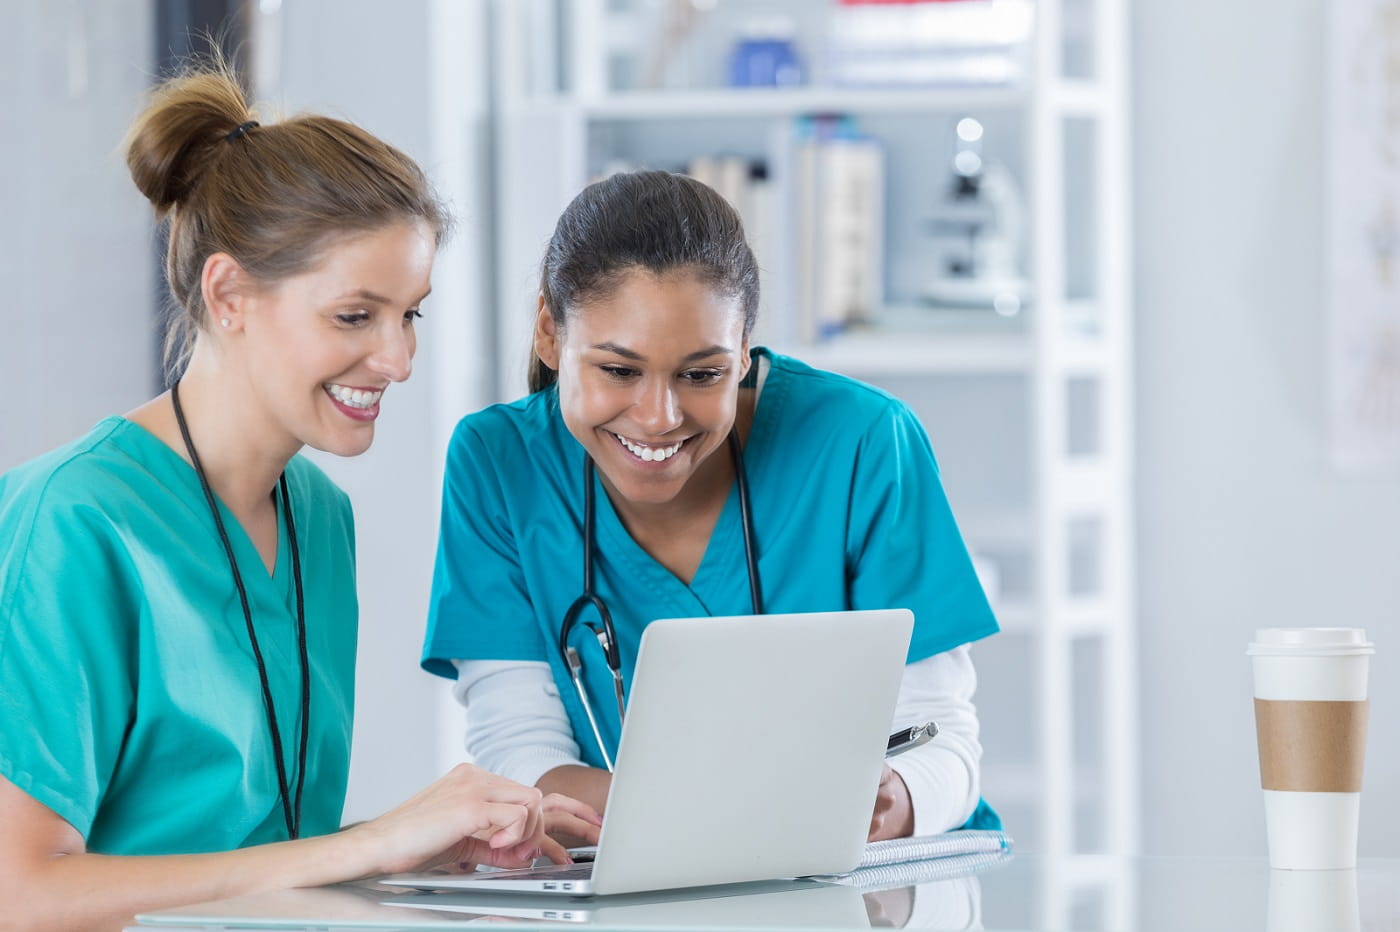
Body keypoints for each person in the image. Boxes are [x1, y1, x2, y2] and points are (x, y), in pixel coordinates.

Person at [0, 63, 598, 931]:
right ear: (229, 294)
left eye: (410, 315)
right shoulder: (70, 524)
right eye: (355, 316)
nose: (398, 360)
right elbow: (19, 894)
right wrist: (371, 845)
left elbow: (258, 852)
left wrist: (422, 844)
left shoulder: (317, 516)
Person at [422, 170, 1000, 840]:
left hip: (861, 882)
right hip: (620, 879)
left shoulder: (862, 442)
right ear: (550, 331)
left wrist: (892, 798)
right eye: (619, 370)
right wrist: (737, 814)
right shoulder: (498, 462)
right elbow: (521, 757)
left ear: (744, 349)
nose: (660, 417)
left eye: (702, 374)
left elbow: (942, 741)